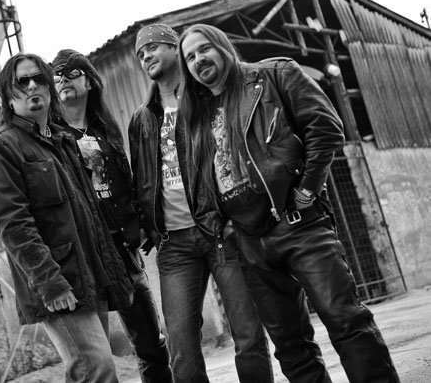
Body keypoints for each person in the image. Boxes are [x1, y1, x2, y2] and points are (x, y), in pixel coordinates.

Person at [177, 23, 399, 383]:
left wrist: (307, 190)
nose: (198, 59)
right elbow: (196, 180)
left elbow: (325, 127)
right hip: (249, 241)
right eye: (190, 57)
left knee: (345, 319)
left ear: (223, 46)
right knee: (291, 347)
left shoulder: (273, 75)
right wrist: (220, 225)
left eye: (204, 49)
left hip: (299, 224)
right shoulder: (196, 117)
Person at [128, 24, 273, 383]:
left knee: (248, 335)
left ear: (174, 49)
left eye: (153, 48)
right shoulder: (141, 119)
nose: (146, 57)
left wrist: (236, 213)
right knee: (182, 352)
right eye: (141, 54)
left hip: (220, 231)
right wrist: (148, 227)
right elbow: (142, 179)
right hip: (174, 244)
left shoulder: (206, 100)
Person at [0, 53, 133, 383]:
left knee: (92, 371)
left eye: (39, 78)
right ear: (8, 95)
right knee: (97, 369)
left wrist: (113, 271)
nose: (32, 86)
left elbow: (90, 214)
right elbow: (13, 224)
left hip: (89, 275)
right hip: (57, 281)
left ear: (50, 89)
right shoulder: (3, 147)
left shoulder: (62, 142)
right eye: (22, 81)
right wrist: (49, 282)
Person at [51, 48, 172, 382]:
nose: (63, 79)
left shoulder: (106, 130)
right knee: (95, 360)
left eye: (71, 73)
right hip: (87, 256)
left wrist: (139, 223)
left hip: (124, 252)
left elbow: (126, 181)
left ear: (90, 82)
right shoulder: (52, 137)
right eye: (56, 75)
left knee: (152, 344)